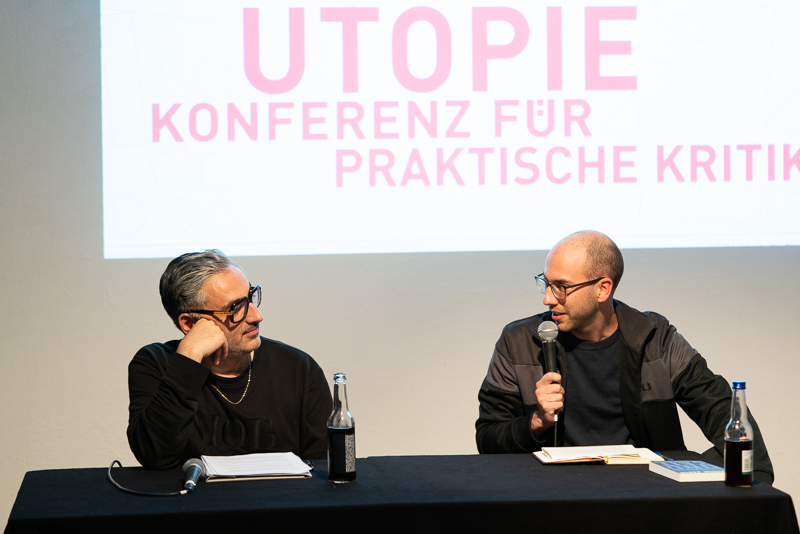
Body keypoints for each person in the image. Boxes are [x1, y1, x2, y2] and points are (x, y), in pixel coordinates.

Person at [475, 231, 774, 483]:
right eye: (546, 283)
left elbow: (719, 407)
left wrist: (747, 478)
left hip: (642, 495)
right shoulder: (520, 342)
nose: (547, 298)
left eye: (561, 287)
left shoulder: (655, 339)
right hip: (553, 493)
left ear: (603, 289)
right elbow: (488, 439)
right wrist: (536, 422)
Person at [127, 250, 332, 469]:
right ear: (189, 323)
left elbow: (323, 470)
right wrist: (188, 357)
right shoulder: (156, 363)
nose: (256, 316)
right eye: (236, 308)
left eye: (250, 298)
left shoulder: (299, 369)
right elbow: (153, 456)